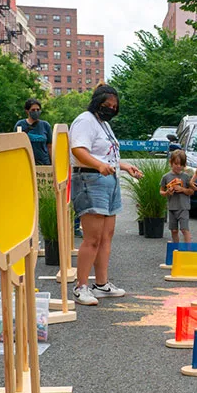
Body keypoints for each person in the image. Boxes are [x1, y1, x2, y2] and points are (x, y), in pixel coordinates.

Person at [68, 84, 143, 306]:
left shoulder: (104, 125)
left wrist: (125, 166)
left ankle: (101, 284)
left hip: (108, 180)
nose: (110, 108)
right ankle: (81, 286)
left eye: (114, 106)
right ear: (96, 101)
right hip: (91, 180)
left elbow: (106, 155)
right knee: (92, 237)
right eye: (106, 104)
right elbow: (78, 150)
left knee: (106, 235)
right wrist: (100, 166)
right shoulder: (85, 121)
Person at [161, 149, 194, 243]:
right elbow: (161, 191)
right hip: (172, 207)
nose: (179, 166)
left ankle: (188, 251)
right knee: (174, 230)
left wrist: (182, 189)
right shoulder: (166, 177)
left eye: (181, 164)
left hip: (184, 207)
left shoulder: (186, 177)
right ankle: (176, 249)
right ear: (171, 163)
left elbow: (191, 191)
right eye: (176, 164)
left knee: (184, 229)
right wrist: (168, 192)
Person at [15, 98, 52, 166]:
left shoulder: (45, 125)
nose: (36, 112)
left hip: (44, 163)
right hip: (26, 163)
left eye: (38, 110)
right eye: (33, 110)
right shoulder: (20, 125)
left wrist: (52, 163)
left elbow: (49, 146)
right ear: (27, 111)